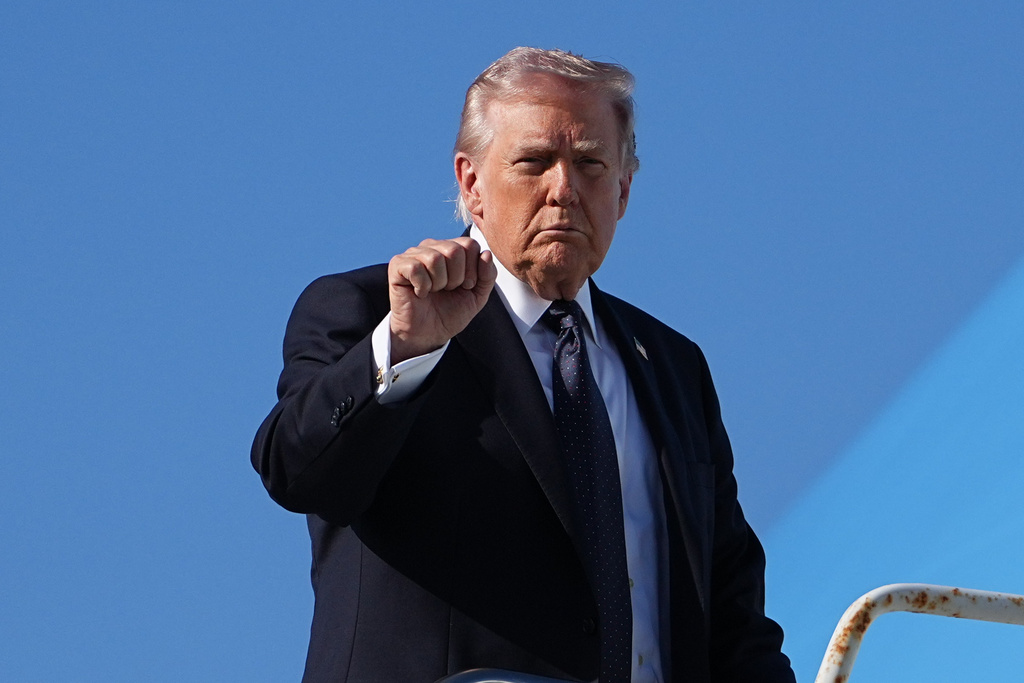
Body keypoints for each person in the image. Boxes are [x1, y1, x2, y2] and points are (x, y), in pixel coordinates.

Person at [252, 47, 795, 683]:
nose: (564, 189)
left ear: (623, 189)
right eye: (535, 161)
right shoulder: (371, 311)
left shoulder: (673, 366)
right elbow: (299, 473)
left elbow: (730, 610)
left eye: (591, 163)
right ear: (471, 183)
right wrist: (404, 349)